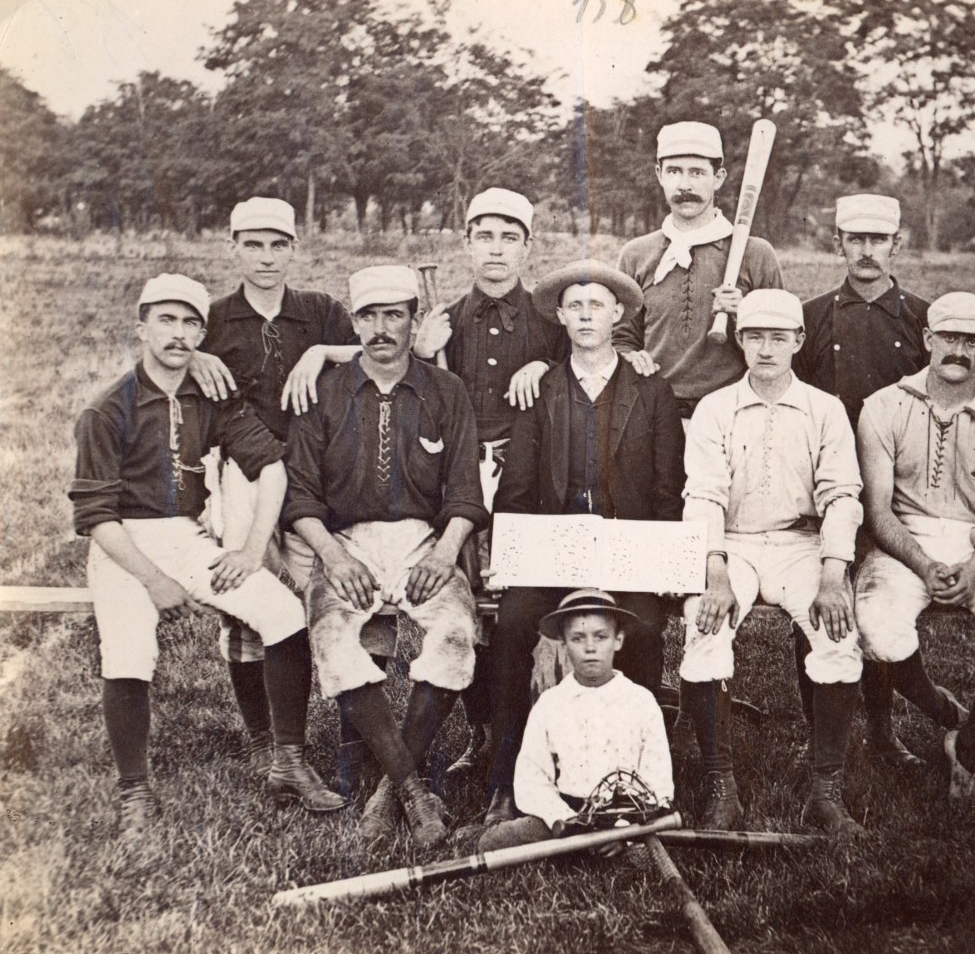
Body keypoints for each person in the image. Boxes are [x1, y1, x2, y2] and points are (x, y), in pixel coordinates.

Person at [70, 273, 344, 843]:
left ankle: (287, 761)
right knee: (128, 652)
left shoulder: (210, 398)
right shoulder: (107, 409)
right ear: (140, 327)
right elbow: (96, 517)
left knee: (283, 615)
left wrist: (247, 550)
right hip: (122, 544)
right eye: (165, 320)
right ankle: (135, 791)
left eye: (190, 322)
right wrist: (153, 581)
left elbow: (270, 467)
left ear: (203, 333)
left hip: (185, 536)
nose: (178, 333)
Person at [189, 197, 392, 794]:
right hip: (243, 471)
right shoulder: (215, 317)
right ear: (233, 247)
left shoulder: (320, 311)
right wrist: (197, 353)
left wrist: (323, 351)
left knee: (335, 595)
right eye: (254, 244)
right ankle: (267, 742)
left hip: (314, 471)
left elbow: (381, 348)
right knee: (251, 606)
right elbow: (166, 358)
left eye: (279, 245)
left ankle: (359, 742)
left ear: (294, 248)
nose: (267, 257)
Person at [284, 265, 486, 848]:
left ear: (414, 320)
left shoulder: (445, 391)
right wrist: (333, 558)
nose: (381, 328)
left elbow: (466, 494)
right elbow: (300, 495)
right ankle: (412, 790)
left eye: (394, 314)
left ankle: (384, 792)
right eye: (368, 316)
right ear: (354, 323)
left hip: (425, 539)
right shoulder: (324, 391)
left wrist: (446, 553)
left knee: (453, 634)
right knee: (331, 637)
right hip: (344, 541)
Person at [482, 259, 685, 827]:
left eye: (599, 305)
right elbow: (517, 488)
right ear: (561, 317)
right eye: (576, 306)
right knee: (516, 623)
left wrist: (665, 566)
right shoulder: (542, 388)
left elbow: (669, 491)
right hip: (554, 548)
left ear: (618, 315)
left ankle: (636, 780)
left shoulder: (651, 388)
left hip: (628, 551)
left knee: (641, 627)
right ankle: (505, 777)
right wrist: (511, 561)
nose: (587, 315)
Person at [680, 289, 863, 835]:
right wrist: (713, 572)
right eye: (754, 336)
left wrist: (834, 574)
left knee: (836, 635)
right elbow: (704, 495)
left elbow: (842, 496)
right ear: (739, 340)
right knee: (704, 627)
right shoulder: (715, 408)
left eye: (778, 337)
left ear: (798, 341)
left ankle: (826, 793)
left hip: (800, 546)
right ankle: (722, 788)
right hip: (732, 545)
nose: (765, 349)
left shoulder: (824, 409)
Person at [854, 292, 975, 803]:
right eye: (949, 338)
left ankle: (971, 744)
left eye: (972, 341)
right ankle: (941, 709)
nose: (958, 351)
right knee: (879, 629)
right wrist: (923, 561)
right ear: (927, 340)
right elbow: (878, 510)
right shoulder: (884, 406)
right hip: (905, 541)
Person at [413, 188, 568, 778]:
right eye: (485, 236)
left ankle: (539, 727)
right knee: (473, 609)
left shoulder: (553, 324)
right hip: (460, 480)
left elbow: (583, 378)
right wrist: (425, 360)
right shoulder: (443, 322)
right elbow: (420, 411)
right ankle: (481, 734)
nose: (496, 249)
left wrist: (546, 368)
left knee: (525, 608)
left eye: (509, 237)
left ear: (528, 247)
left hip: (531, 483)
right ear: (467, 244)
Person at [794, 193, 933, 757]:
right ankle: (816, 731)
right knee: (814, 602)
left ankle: (881, 728)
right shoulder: (811, 316)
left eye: (879, 240)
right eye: (856, 240)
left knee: (878, 602)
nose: (868, 251)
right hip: (826, 483)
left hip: (900, 489)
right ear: (839, 245)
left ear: (897, 244)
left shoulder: (925, 319)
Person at [477, 589, 673, 853]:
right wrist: (565, 820)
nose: (590, 648)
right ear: (564, 643)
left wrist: (624, 830)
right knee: (494, 842)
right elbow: (531, 777)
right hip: (566, 812)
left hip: (622, 814)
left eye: (601, 637)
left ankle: (624, 842)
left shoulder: (641, 701)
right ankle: (569, 838)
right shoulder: (550, 704)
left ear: (618, 640)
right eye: (578, 638)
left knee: (646, 842)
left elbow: (658, 782)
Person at [614, 121, 784, 420]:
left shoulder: (756, 254)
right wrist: (630, 358)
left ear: (718, 178)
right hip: (652, 412)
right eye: (674, 171)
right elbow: (620, 337)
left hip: (734, 414)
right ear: (659, 175)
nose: (685, 185)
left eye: (697, 172)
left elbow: (782, 343)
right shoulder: (636, 254)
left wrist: (744, 315)